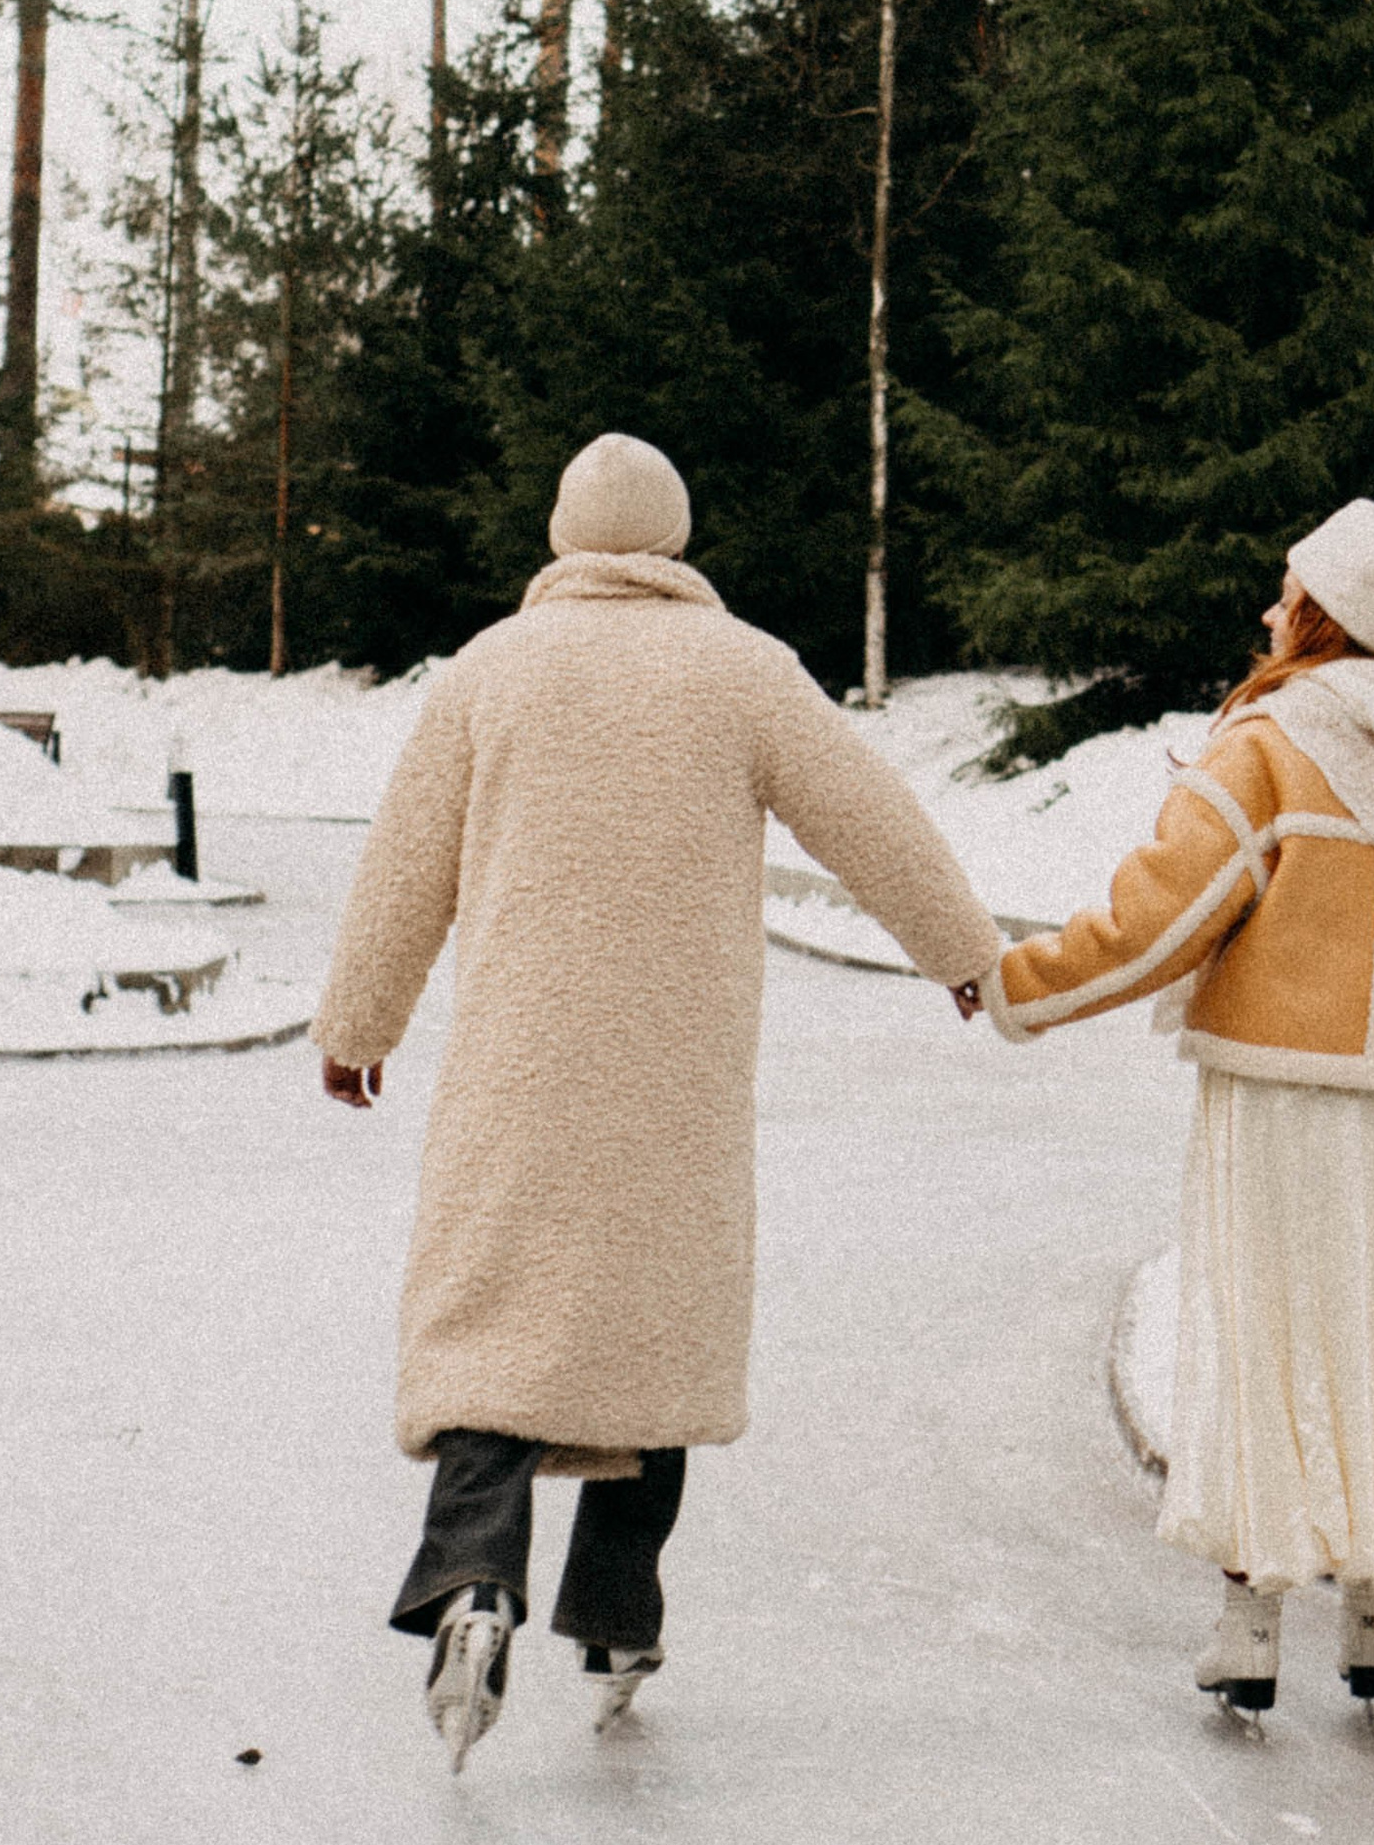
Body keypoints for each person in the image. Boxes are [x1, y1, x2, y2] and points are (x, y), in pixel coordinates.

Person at [315, 432, 1002, 1766]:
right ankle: (618, 1619)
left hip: (519, 1064)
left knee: (495, 1320)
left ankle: (472, 1578)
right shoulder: (744, 669)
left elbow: (405, 867)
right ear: (675, 538)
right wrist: (962, 953)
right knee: (652, 1335)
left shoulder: (490, 669)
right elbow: (870, 820)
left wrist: (357, 1026)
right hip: (676, 1074)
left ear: (565, 535)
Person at [967, 498, 1374, 1717]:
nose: (1269, 611)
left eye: (1287, 595)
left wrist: (1018, 987)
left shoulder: (1271, 744)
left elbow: (1159, 919)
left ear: (1321, 616)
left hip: (1275, 1101)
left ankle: (1249, 1629)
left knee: (1263, 1349)